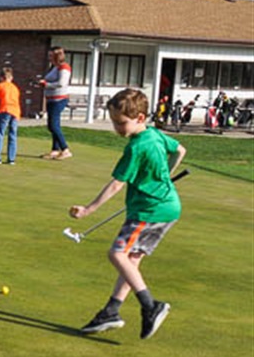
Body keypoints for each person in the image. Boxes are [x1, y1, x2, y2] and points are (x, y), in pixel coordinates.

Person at [71, 88, 186, 338]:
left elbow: (116, 184)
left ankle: (151, 306)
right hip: (167, 207)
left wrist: (88, 209)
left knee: (117, 253)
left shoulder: (136, 148)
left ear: (141, 118)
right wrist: (166, 176)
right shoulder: (155, 134)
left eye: (122, 122)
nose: (117, 128)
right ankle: (111, 310)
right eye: (114, 122)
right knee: (131, 260)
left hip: (149, 210)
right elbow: (180, 151)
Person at [38, 46, 72, 159]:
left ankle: (65, 149)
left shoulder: (64, 67)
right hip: (51, 99)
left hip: (59, 99)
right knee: (52, 125)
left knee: (53, 125)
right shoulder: (54, 67)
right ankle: (55, 150)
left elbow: (62, 83)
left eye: (51, 55)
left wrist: (46, 84)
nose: (49, 57)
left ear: (57, 56)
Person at [0, 67, 21, 164]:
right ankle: (11, 159)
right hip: (15, 111)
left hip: (5, 109)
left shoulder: (0, 86)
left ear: (1, 77)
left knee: (0, 133)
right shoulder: (15, 87)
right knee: (13, 134)